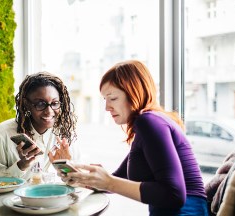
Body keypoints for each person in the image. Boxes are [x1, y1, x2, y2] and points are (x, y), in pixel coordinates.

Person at [60, 60, 208, 215]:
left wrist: (109, 183)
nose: (107, 107)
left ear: (134, 93)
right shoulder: (149, 124)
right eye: (105, 99)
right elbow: (116, 178)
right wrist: (76, 174)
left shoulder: (149, 122)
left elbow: (174, 195)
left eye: (113, 98)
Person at [0, 71, 80, 181]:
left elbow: (77, 182)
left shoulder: (64, 133)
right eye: (40, 104)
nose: (49, 112)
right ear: (26, 104)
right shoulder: (1, 134)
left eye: (54, 103)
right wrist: (22, 165)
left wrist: (66, 167)